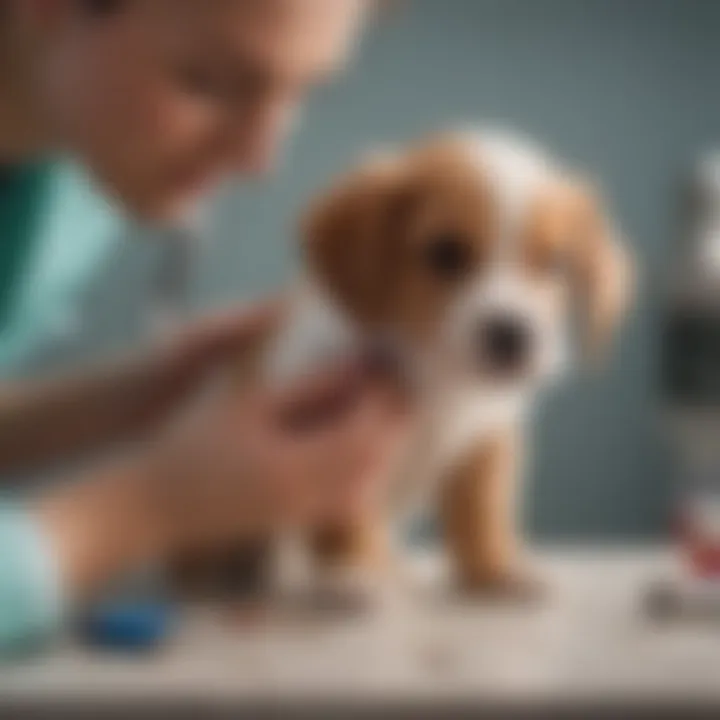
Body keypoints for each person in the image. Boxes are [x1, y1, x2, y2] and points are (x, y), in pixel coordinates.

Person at [0, 0, 407, 654]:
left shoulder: (76, 155)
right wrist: (148, 509)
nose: (260, 159)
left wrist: (139, 395)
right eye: (210, 82)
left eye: (303, 92)